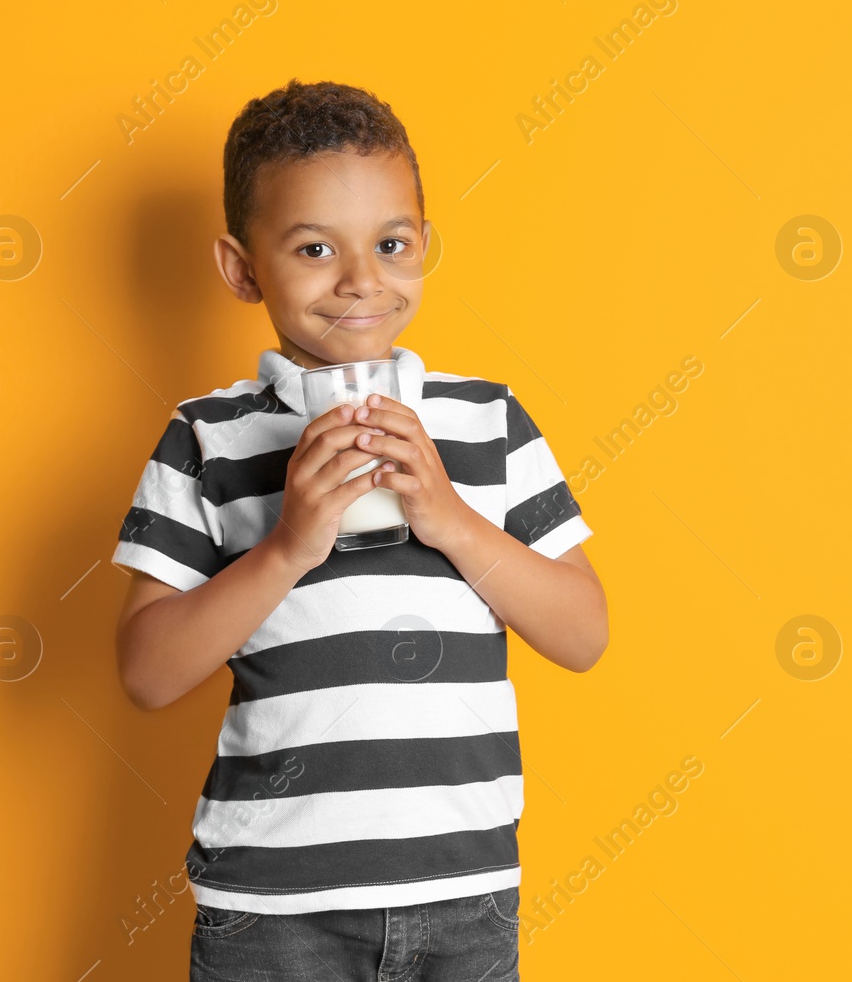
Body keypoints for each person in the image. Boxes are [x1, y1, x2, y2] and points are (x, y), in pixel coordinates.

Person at [110, 79, 608, 980]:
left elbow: (582, 634)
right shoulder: (207, 438)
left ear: (425, 246)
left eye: (391, 243)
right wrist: (288, 544)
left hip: (468, 896)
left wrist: (449, 518)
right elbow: (147, 672)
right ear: (242, 269)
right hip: (271, 910)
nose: (362, 282)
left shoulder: (488, 420)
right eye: (313, 248)